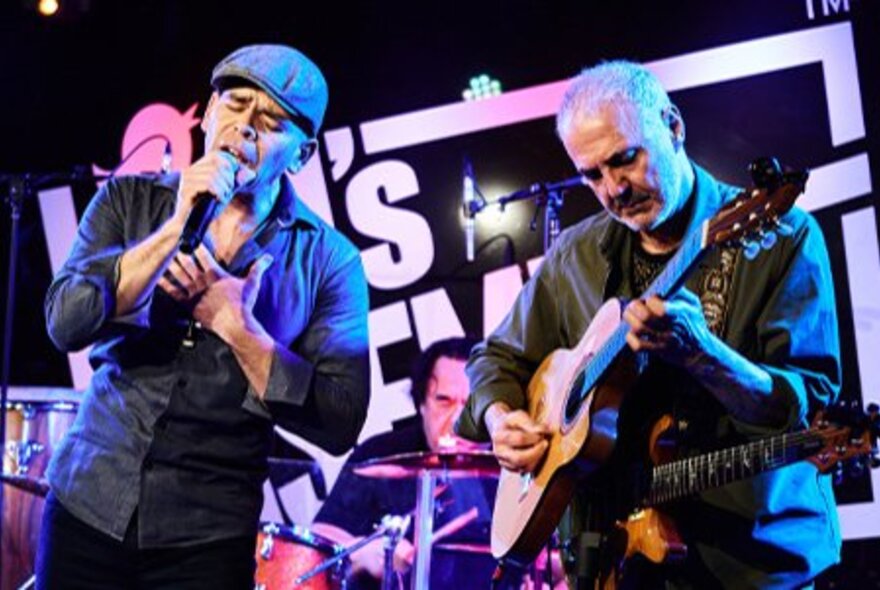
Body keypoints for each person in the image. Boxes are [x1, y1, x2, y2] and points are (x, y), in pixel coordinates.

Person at [454, 60, 841, 589]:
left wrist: (703, 354)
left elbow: (808, 409)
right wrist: (500, 418)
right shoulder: (576, 255)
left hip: (752, 563)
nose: (614, 189)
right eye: (593, 175)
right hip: (614, 560)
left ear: (674, 126)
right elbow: (493, 358)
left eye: (625, 159)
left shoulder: (782, 235)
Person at [37, 44, 370, 589]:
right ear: (209, 112)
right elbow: (64, 323)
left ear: (303, 154)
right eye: (235, 104)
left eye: (271, 122)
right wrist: (173, 228)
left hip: (206, 539)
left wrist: (240, 328)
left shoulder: (330, 261)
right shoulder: (129, 201)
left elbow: (341, 420)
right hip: (87, 505)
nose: (244, 128)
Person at [311, 336, 500, 589]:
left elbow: (552, 558)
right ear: (421, 403)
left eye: (472, 405)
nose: (458, 419)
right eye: (444, 401)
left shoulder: (514, 466)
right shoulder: (383, 454)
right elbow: (321, 538)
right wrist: (369, 552)